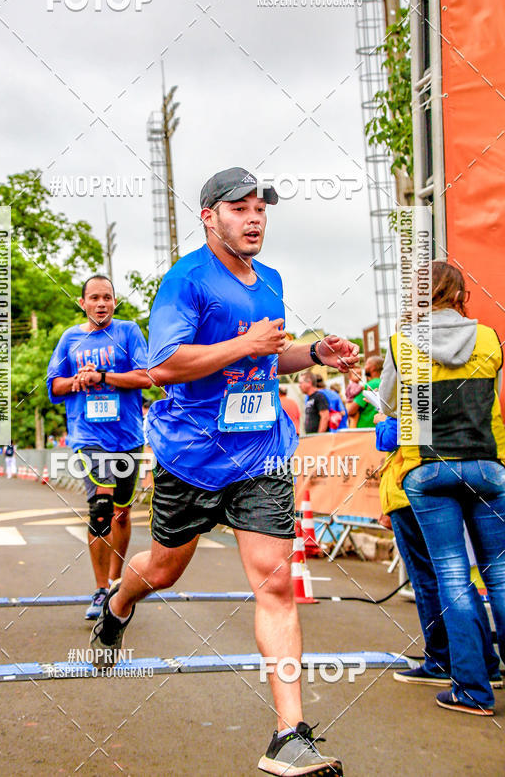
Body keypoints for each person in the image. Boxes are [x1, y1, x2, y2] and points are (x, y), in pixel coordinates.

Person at [90, 167, 358, 775]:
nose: (254, 217)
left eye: (261, 208)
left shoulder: (271, 281)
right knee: (164, 569)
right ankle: (119, 602)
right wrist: (246, 345)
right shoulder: (185, 281)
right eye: (240, 208)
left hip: (261, 452)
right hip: (191, 454)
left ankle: (289, 735)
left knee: (275, 583)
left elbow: (268, 358)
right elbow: (165, 364)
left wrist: (314, 352)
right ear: (209, 216)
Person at [380, 260, 505, 715]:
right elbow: (492, 399)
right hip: (488, 465)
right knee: (501, 574)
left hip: (429, 470)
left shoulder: (402, 342)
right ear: (460, 295)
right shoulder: (490, 339)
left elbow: (389, 404)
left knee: (452, 577)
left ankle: (472, 691)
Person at [47, 275, 150, 620]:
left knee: (121, 512)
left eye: (107, 297)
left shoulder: (129, 332)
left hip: (128, 436)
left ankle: (116, 581)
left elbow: (145, 377)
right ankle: (100, 589)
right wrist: (77, 380)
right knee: (101, 506)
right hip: (87, 435)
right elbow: (55, 385)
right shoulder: (70, 339)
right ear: (82, 303)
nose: (101, 303)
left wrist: (102, 376)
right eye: (94, 298)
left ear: (114, 302)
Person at [373, 411, 501, 691]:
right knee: (461, 580)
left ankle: (443, 661)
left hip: (415, 487)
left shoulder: (416, 388)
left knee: (432, 581)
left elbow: (397, 435)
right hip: (473, 471)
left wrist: (381, 421)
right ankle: (483, 664)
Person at [347, 356, 383, 429]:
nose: (364, 367)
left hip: (365, 428)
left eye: (366, 364)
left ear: (373, 367)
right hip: (379, 427)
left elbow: (351, 411)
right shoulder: (384, 383)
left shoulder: (369, 385)